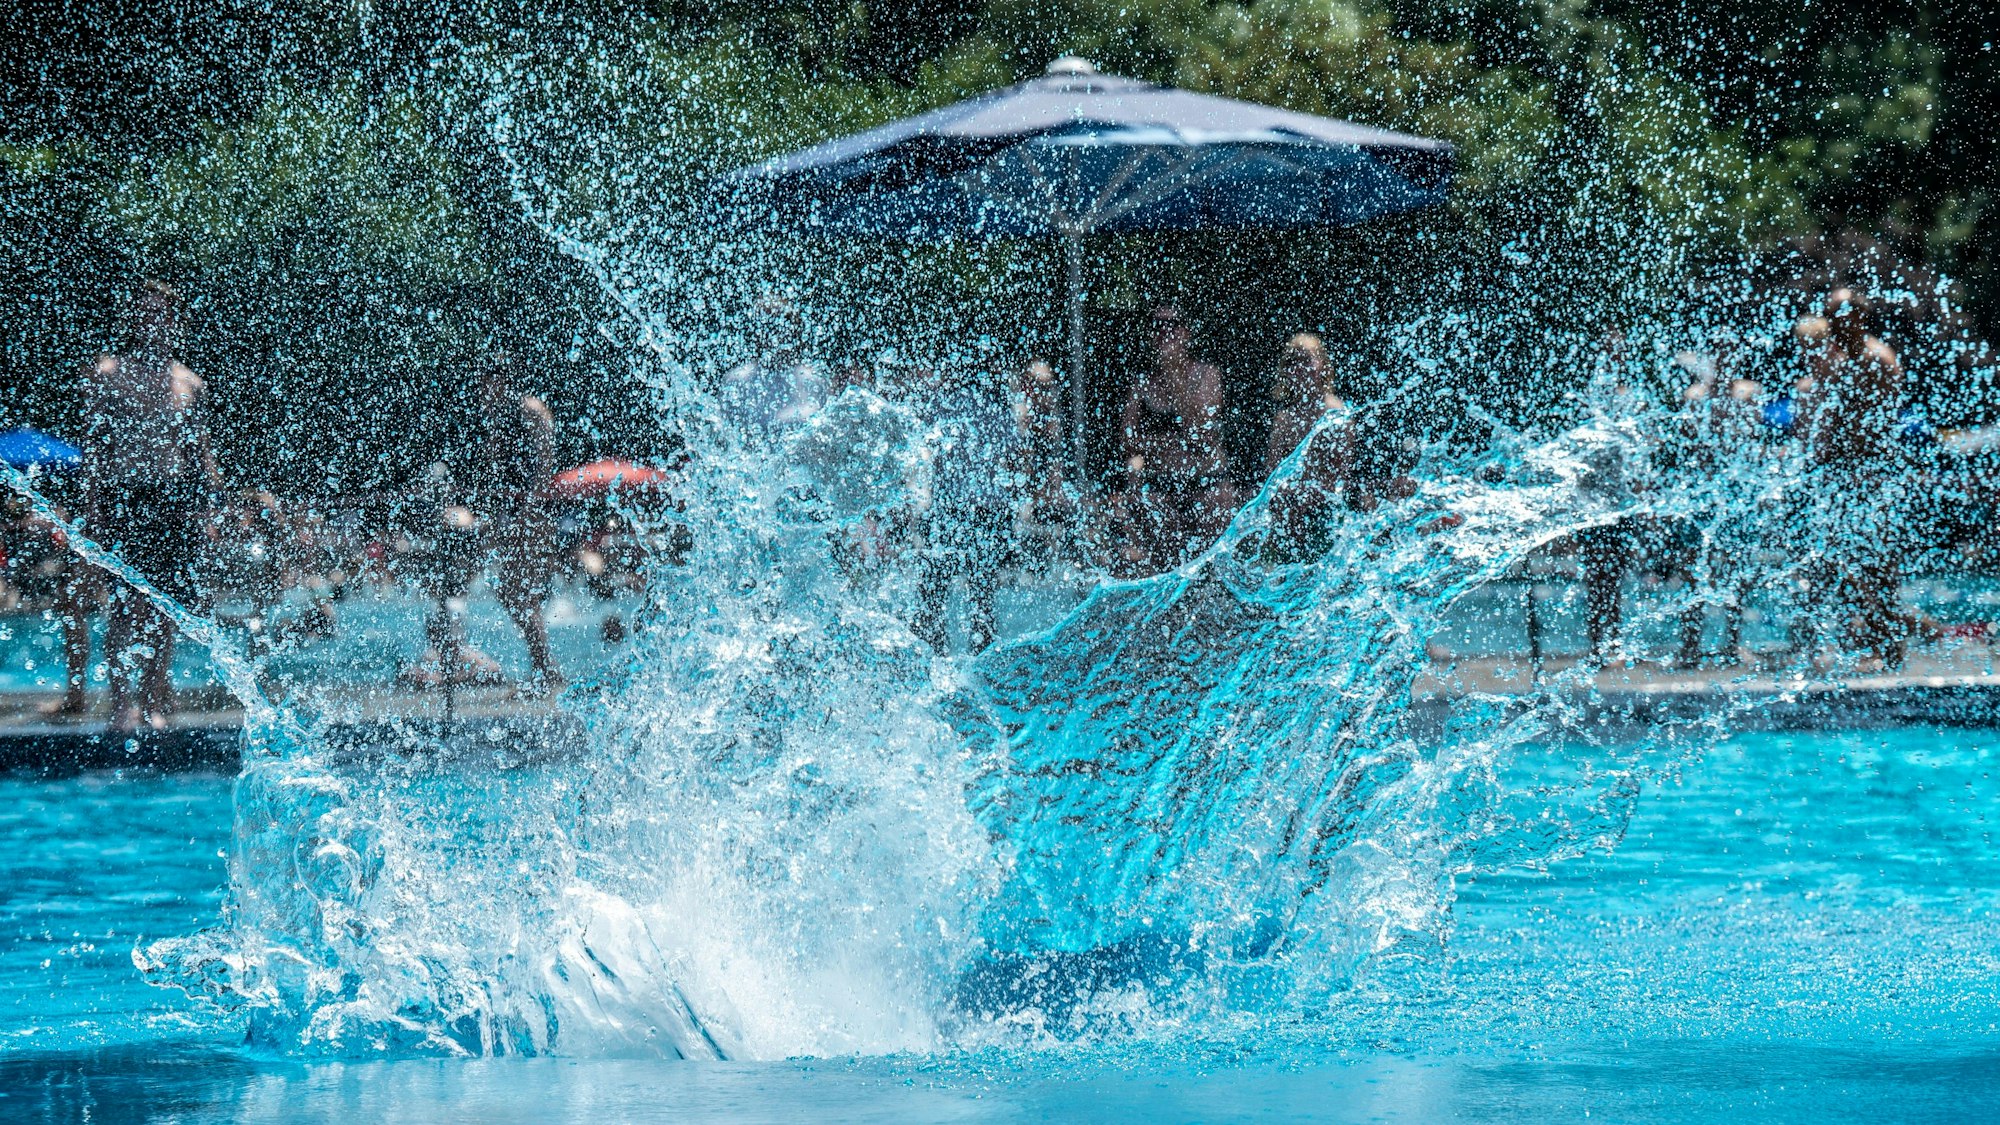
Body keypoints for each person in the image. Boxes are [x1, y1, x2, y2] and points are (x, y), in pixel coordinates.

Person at [79, 281, 220, 732]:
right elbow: (94, 449)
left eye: (159, 313)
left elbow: (200, 453)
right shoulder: (107, 374)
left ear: (172, 321)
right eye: (144, 313)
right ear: (133, 320)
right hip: (123, 496)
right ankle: (123, 705)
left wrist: (210, 509)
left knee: (165, 609)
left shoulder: (188, 382)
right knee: (123, 605)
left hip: (172, 499)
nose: (151, 321)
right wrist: (93, 508)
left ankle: (155, 698)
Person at [1797, 287, 1911, 666]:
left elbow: (1876, 423)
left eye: (1838, 317)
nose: (1832, 325)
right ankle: (1867, 641)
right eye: (1830, 317)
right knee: (1844, 560)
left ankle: (1889, 646)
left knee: (1876, 561)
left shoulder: (1877, 358)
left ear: (1857, 318)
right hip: (1843, 470)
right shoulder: (1841, 357)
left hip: (1871, 471)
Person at [1115, 306, 1237, 572]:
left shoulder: (1207, 375)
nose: (1165, 332)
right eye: (1158, 326)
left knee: (1208, 569)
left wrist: (1174, 377)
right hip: (1162, 486)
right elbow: (1126, 441)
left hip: (1206, 485)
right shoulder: (1142, 384)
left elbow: (1201, 433)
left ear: (1187, 332)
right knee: (1168, 570)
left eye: (1173, 325)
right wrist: (1170, 442)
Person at [908, 364, 1017, 654]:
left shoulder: (941, 405)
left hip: (949, 508)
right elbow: (1013, 457)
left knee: (932, 590)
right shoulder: (999, 409)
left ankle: (933, 656)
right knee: (982, 595)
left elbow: (923, 449)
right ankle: (983, 660)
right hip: (990, 509)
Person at [474, 354, 562, 691]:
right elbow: (495, 465)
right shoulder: (498, 415)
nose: (483, 388)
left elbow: (544, 464)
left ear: (503, 379)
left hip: (532, 513)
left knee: (522, 592)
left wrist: (530, 510)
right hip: (509, 512)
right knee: (511, 592)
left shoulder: (531, 410)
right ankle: (543, 665)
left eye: (488, 380)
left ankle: (544, 668)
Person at [1262, 333, 1345, 477]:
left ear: (1322, 364)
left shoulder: (1335, 412)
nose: (1300, 367)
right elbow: (1271, 473)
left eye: (1306, 360)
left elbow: (1340, 474)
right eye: (1293, 361)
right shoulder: (1284, 419)